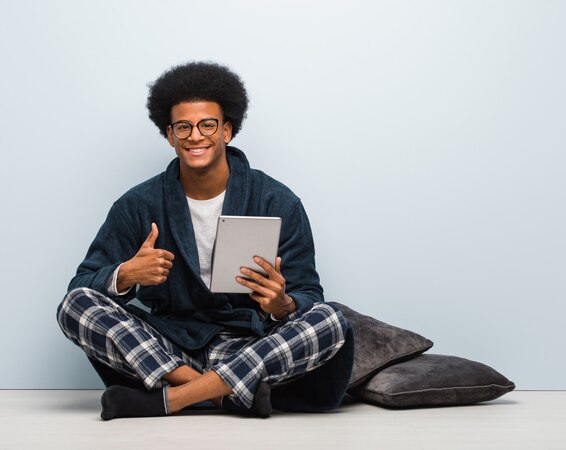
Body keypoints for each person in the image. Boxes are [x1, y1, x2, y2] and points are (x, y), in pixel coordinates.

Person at [56, 61, 354, 420]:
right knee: (76, 304)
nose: (195, 136)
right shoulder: (137, 204)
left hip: (250, 348)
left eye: (207, 125)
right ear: (170, 135)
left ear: (226, 130)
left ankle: (176, 399)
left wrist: (282, 304)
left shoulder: (278, 201)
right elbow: (81, 286)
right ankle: (216, 393)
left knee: (330, 318)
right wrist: (126, 275)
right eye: (183, 127)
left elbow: (309, 293)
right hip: (169, 349)